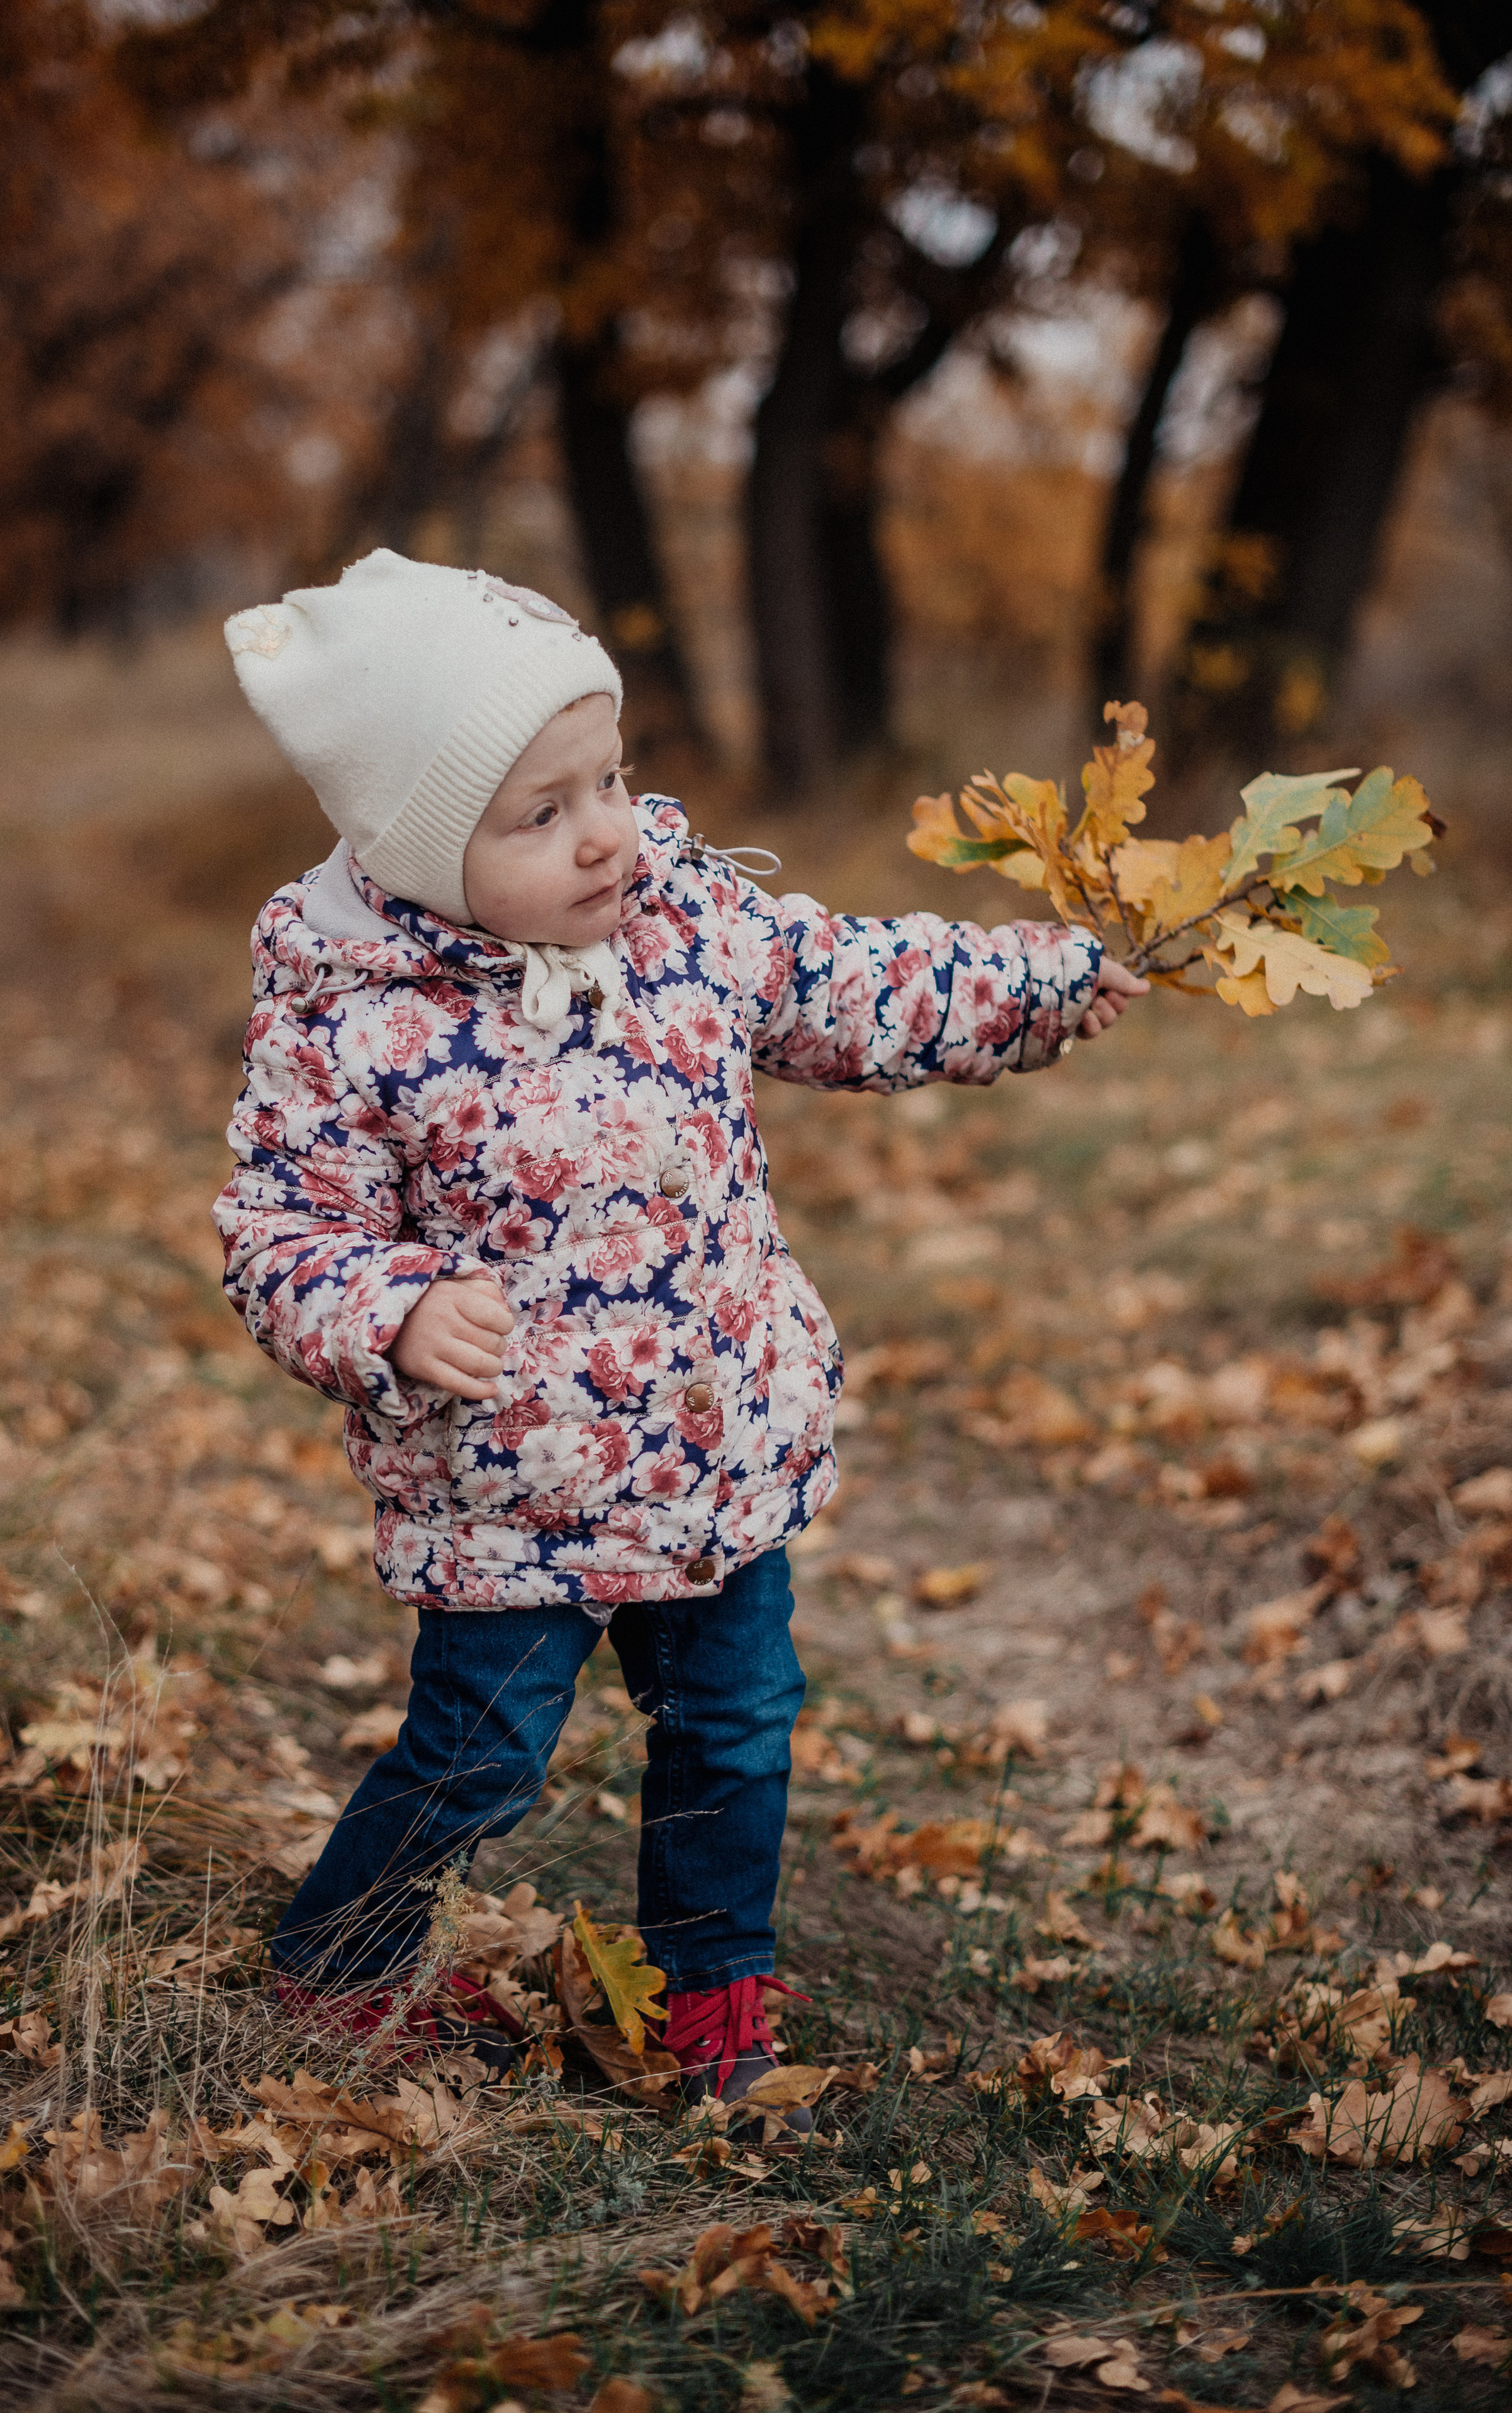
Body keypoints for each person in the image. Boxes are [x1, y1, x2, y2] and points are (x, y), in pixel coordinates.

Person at [213, 550, 1146, 2116]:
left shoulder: (682, 921)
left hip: (709, 1451)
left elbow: (852, 980)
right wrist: (389, 1307)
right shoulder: (351, 1013)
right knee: (485, 1754)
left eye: (614, 780)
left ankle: (711, 1994)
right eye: (542, 814)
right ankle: (338, 1960)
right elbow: (273, 1231)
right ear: (419, 848)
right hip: (508, 1486)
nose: (607, 834)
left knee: (734, 1727)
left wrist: (1035, 988)